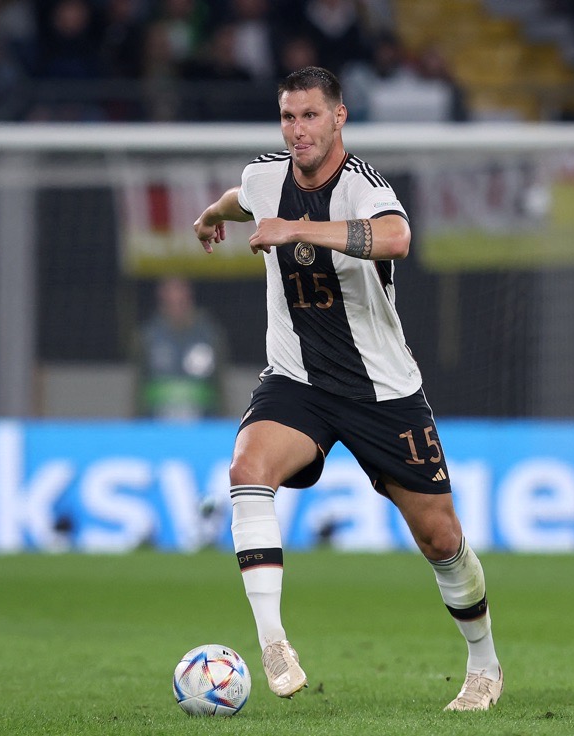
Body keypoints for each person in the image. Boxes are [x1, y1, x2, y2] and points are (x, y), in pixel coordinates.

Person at [191, 66, 503, 712]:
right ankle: (273, 642)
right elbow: (238, 197)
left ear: (339, 118)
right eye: (287, 116)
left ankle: (484, 664)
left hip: (380, 390)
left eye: (310, 116)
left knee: (441, 539)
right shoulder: (264, 178)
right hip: (297, 380)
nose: (297, 129)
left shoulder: (364, 187)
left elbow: (398, 237)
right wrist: (210, 216)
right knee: (247, 467)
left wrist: (297, 230)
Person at [131, 277, 227, 420]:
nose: (176, 306)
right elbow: (139, 384)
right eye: (170, 301)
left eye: (180, 300)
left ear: (189, 298)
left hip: (204, 424)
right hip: (156, 423)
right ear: (161, 300)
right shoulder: (148, 336)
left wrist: (222, 421)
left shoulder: (209, 334)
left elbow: (220, 383)